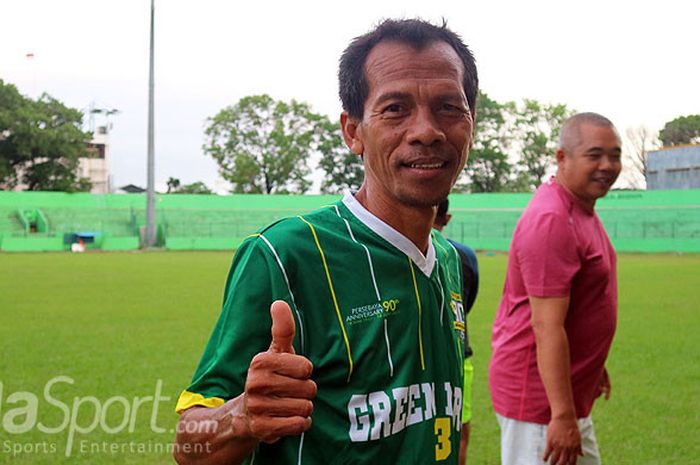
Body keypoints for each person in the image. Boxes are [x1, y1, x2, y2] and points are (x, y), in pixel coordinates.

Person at [173, 18, 479, 465]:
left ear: (471, 124)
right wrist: (239, 417)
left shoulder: (448, 261)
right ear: (353, 131)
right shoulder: (285, 254)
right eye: (395, 108)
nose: (426, 130)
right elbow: (189, 445)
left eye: (449, 107)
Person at [488, 112, 621, 465]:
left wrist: (591, 363)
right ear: (562, 157)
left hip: (565, 394)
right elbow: (546, 326)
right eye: (594, 155)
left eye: (615, 155)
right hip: (540, 405)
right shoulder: (552, 219)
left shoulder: (582, 209)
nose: (607, 165)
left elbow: (580, 302)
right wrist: (560, 416)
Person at [433, 198, 479, 465]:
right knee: (458, 434)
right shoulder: (465, 255)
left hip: (409, 365)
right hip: (459, 357)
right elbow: (466, 304)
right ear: (447, 218)